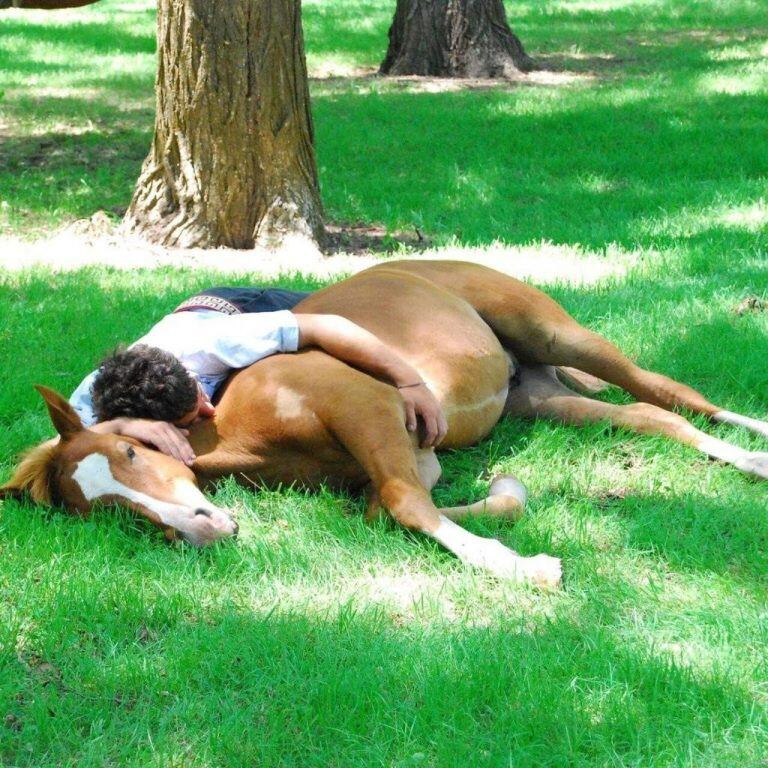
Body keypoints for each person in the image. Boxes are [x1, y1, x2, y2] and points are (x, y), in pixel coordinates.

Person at [70, 286, 448, 466]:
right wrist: (122, 425)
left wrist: (409, 381)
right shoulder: (91, 396)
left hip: (241, 307)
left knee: (348, 329)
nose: (208, 410)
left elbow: (324, 325)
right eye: (190, 420)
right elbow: (62, 442)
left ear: (189, 371)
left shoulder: (210, 344)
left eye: (200, 395)